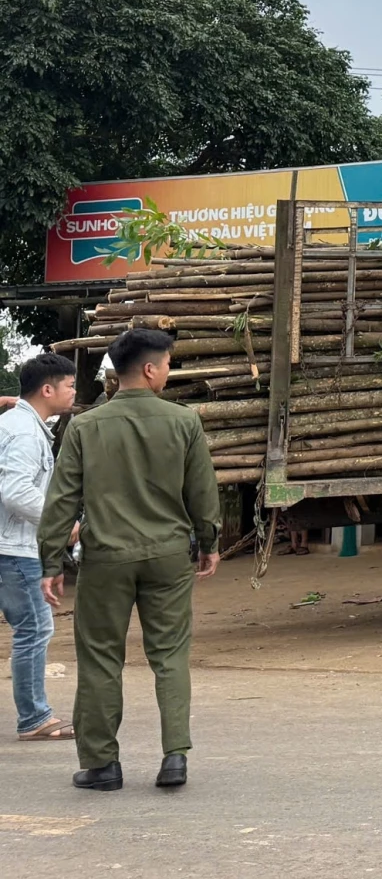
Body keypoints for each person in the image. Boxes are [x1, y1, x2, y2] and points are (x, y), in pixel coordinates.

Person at [38, 328, 220, 791]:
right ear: (149, 369)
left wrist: (51, 562)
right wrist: (209, 541)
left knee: (100, 659)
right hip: (168, 556)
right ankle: (174, 756)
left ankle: (102, 766)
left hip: (107, 559)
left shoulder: (84, 426)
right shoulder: (184, 422)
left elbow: (62, 500)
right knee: (170, 656)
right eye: (168, 364)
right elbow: (201, 491)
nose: (168, 372)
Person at [2, 353, 79, 742]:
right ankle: (34, 718)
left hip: (10, 543)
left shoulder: (15, 422)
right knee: (33, 628)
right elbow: (17, 493)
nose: (74, 393)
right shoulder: (26, 432)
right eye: (69, 386)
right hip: (13, 548)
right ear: (47, 389)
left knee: (31, 628)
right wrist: (60, 524)